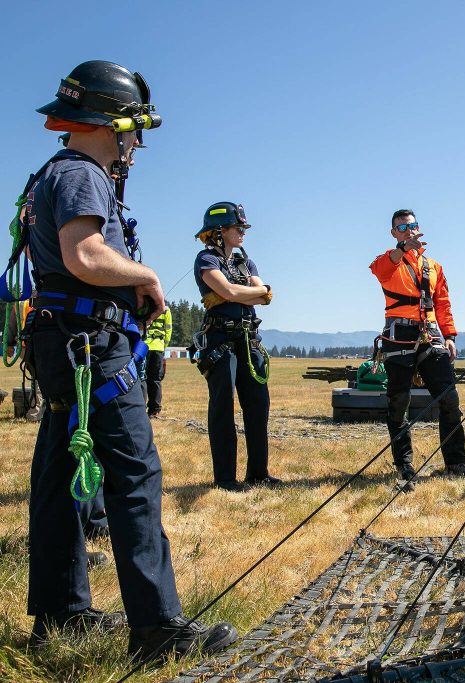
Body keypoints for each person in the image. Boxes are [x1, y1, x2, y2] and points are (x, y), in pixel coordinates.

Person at [21, 60, 236, 659]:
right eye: (133, 130)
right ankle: (158, 628)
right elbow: (86, 255)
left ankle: (61, 618)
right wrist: (148, 276)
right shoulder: (83, 174)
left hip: (64, 344)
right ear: (109, 123)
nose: (135, 145)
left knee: (60, 480)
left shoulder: (53, 174)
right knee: (135, 477)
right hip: (94, 347)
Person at [370, 209, 465, 485]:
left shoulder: (434, 267)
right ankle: (404, 465)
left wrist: (450, 336)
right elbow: (381, 268)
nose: (408, 230)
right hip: (398, 335)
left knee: (449, 398)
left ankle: (456, 463)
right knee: (398, 402)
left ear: (419, 228)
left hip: (430, 335)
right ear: (394, 233)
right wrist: (402, 248)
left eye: (412, 225)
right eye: (402, 227)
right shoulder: (387, 262)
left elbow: (443, 303)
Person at [192, 202, 278, 491]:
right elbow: (230, 290)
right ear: (219, 231)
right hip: (220, 342)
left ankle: (258, 473)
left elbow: (265, 295)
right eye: (238, 227)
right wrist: (240, 293)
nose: (243, 232)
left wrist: (234, 295)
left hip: (248, 341)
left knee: (258, 406)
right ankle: (225, 479)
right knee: (222, 408)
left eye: (243, 228)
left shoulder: (245, 262)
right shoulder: (206, 260)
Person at [142, 306, 172, 417]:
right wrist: (163, 346)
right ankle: (155, 410)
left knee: (142, 378)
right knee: (155, 379)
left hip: (142, 347)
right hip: (158, 347)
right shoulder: (166, 310)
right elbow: (168, 330)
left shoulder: (143, 306)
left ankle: (141, 407)